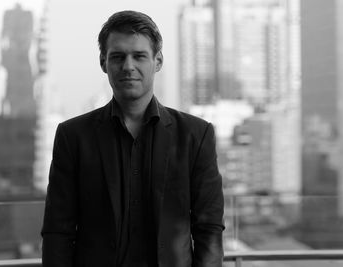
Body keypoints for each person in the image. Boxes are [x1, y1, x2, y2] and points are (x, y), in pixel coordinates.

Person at [41, 10, 225, 267]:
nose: (128, 66)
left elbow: (209, 230)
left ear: (157, 61)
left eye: (139, 56)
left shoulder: (196, 135)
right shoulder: (72, 137)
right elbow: (57, 231)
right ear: (103, 62)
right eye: (117, 57)